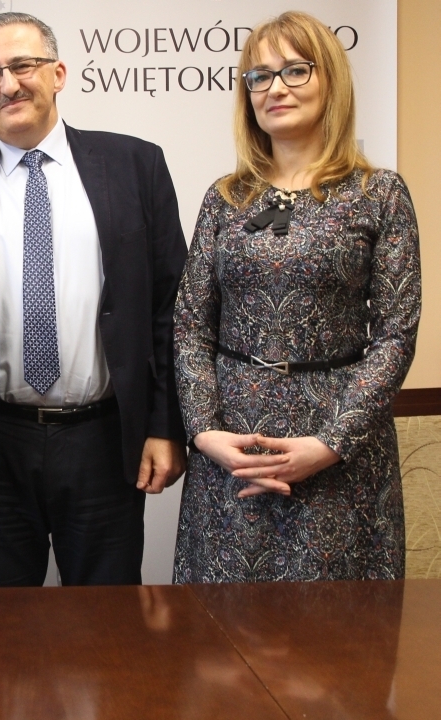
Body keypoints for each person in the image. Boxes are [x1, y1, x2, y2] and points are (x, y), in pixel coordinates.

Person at [0, 12, 188, 587]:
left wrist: (165, 425)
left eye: (23, 66)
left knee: (107, 620)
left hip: (105, 441)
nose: (7, 84)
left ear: (58, 74)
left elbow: (170, 311)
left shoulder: (136, 166)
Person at [173, 11, 420, 582]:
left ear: (330, 80)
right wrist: (205, 431)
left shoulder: (378, 193)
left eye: (294, 70)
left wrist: (331, 442)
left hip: (336, 450)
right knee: (224, 626)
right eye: (259, 76)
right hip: (232, 449)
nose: (275, 87)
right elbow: (190, 326)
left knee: (338, 629)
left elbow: (395, 334)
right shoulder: (225, 198)